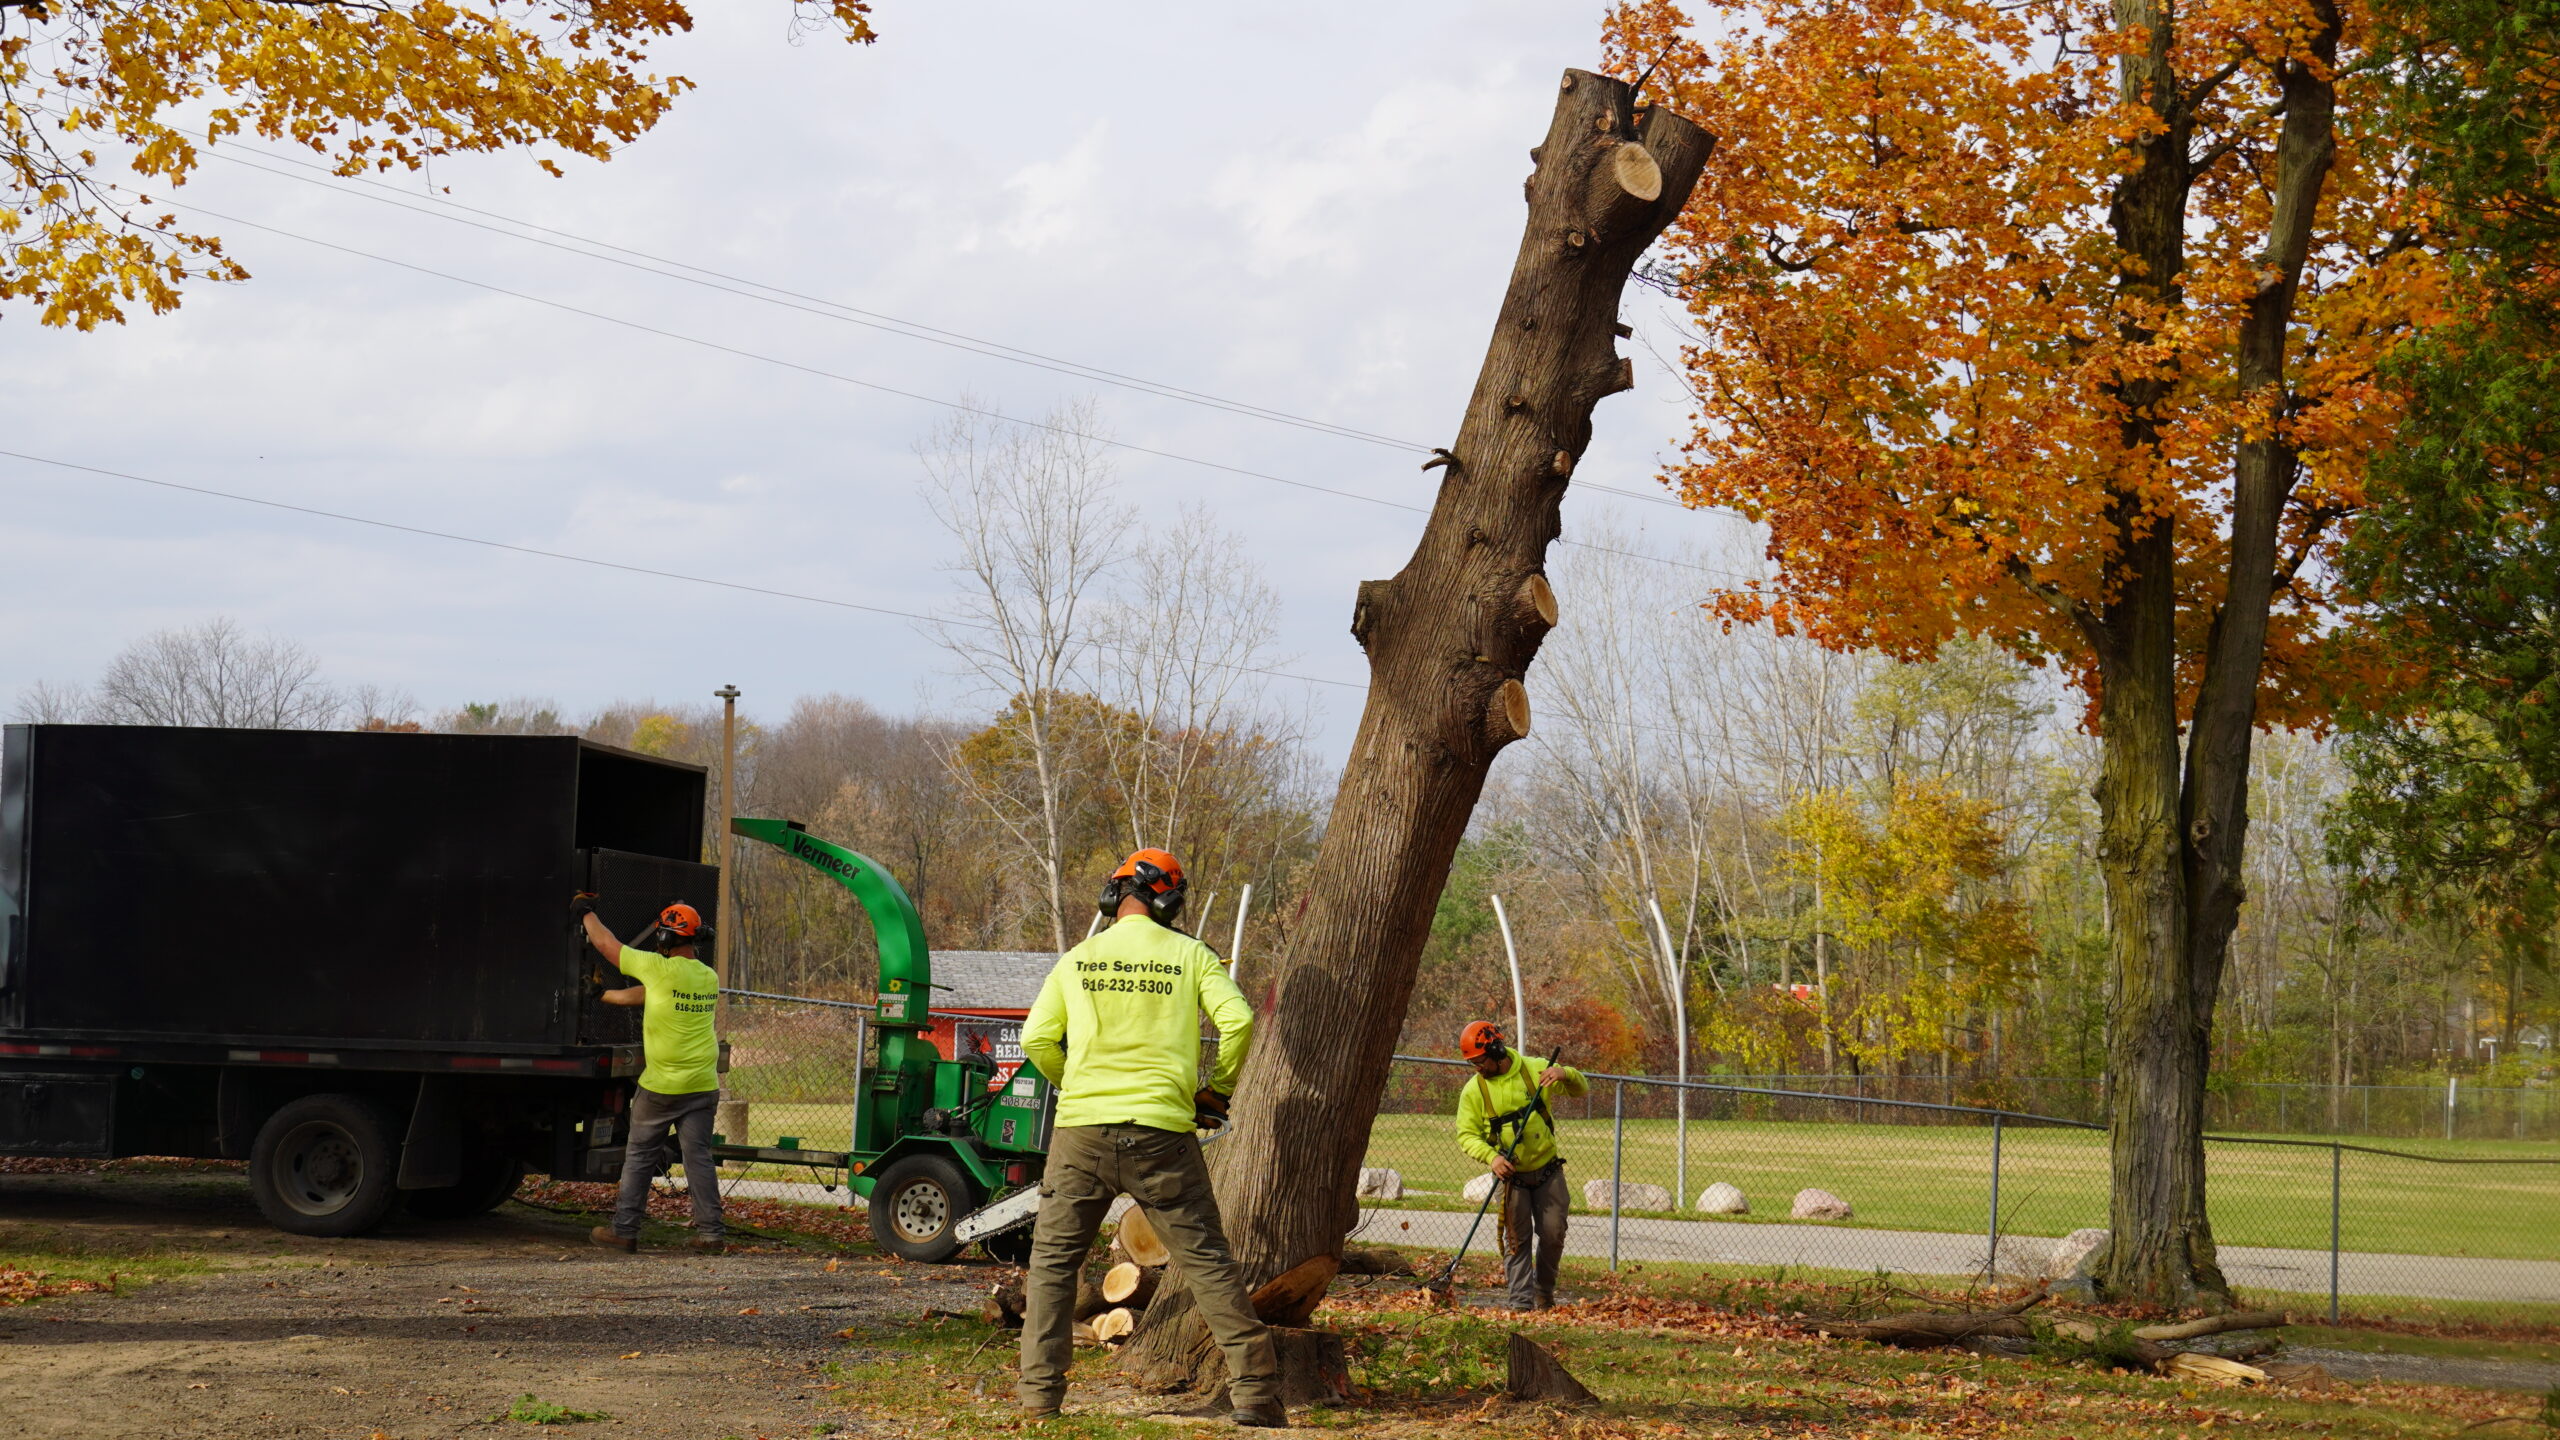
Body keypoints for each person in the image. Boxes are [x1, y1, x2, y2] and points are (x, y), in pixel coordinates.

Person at [1015, 848, 1283, 1427]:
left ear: (1113, 897)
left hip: (1081, 1133)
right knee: (1208, 1262)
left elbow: (1037, 1039)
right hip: (1163, 1131)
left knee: (1054, 1266)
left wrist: (1078, 1085)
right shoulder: (1190, 956)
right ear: (1170, 900)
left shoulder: (1078, 958)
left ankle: (1039, 1398)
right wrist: (1216, 1091)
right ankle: (1256, 1391)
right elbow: (1238, 1021)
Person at [574, 897, 726, 1255]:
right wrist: (604, 995)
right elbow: (653, 994)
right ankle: (711, 1235)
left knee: (640, 1157)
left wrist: (584, 912)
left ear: (666, 939)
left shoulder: (658, 967)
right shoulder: (707, 976)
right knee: (698, 1158)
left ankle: (624, 1232)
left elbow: (606, 944)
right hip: (703, 1083)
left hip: (661, 1086)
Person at [1453, 1021, 1587, 1310]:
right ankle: (1520, 1304)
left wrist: (1563, 1073)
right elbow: (1466, 1135)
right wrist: (1492, 1158)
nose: (1477, 1068)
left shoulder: (1534, 1068)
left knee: (1553, 1234)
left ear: (1497, 1050)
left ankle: (1544, 1293)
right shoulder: (1474, 1091)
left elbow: (1580, 1088)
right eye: (1472, 1063)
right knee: (1516, 1241)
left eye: (1479, 1061)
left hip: (1548, 1170)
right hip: (1510, 1177)